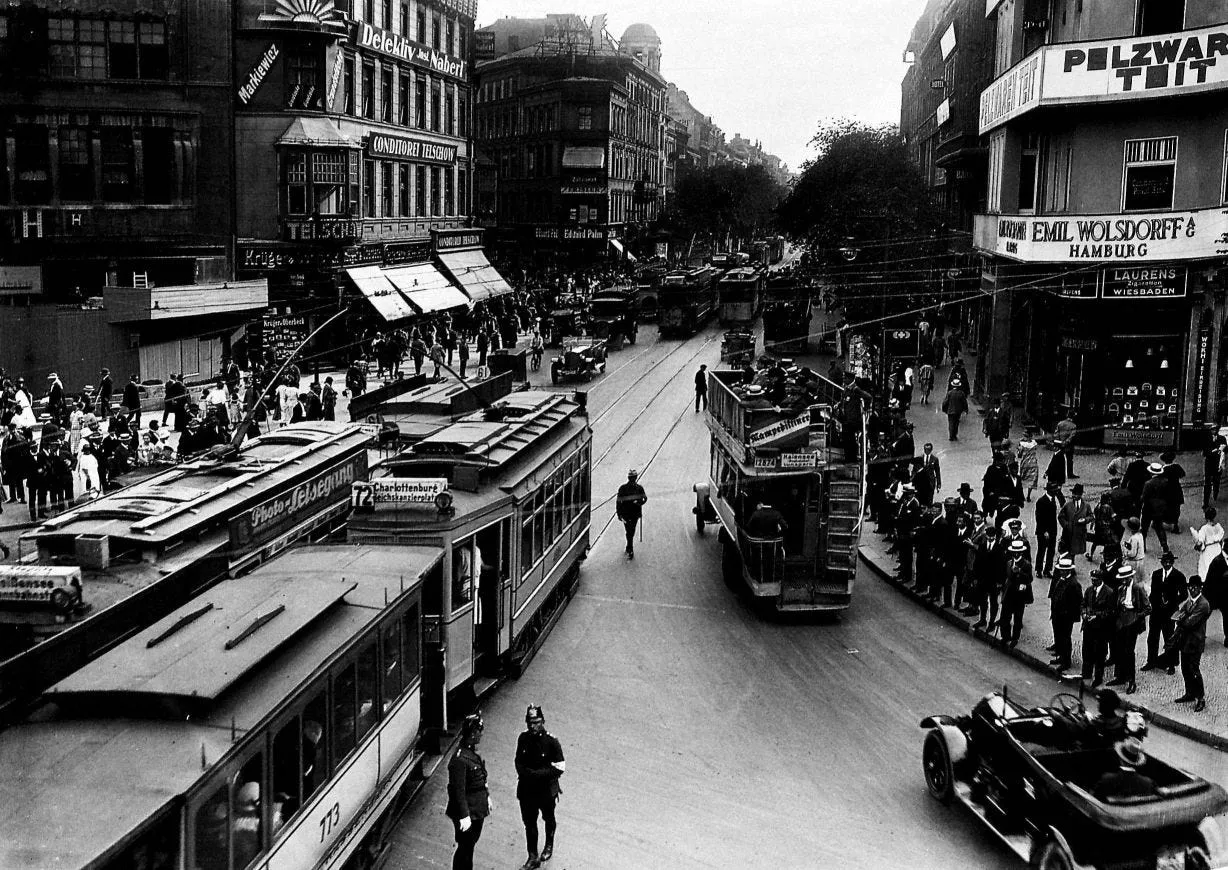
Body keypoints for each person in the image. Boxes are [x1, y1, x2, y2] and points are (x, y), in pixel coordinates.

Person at [515, 705, 565, 869]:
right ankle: (533, 856)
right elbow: (518, 761)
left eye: (536, 722)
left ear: (542, 721)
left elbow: (559, 767)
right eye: (530, 722)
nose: (532, 726)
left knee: (548, 818)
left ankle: (549, 844)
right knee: (529, 823)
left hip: (545, 791)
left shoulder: (551, 742)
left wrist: (537, 775)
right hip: (526, 790)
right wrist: (525, 774)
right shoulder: (523, 738)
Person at [446, 713, 491, 870]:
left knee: (469, 847)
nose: (482, 734)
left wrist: (487, 798)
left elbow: (480, 779)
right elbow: (458, 791)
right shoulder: (460, 759)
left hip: (476, 810)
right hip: (468, 813)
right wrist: (464, 816)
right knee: (465, 849)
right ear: (473, 734)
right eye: (480, 731)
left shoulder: (469, 752)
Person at [1169, 575, 1210, 711]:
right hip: (1185, 641)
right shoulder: (1190, 601)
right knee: (1185, 669)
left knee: (1194, 670)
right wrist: (1181, 616)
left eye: (1195, 588)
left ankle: (1201, 698)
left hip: (1195, 643)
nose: (1192, 590)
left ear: (1200, 588)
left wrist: (1180, 619)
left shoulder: (1203, 604)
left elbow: (1189, 622)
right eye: (1190, 587)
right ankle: (1190, 693)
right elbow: (1180, 613)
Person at [1142, 551, 1185, 674]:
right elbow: (1153, 592)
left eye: (1169, 562)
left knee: (1169, 638)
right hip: (1156, 612)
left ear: (1172, 562)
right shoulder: (1156, 574)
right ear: (1161, 562)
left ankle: (1171, 664)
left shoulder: (1179, 576)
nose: (1166, 564)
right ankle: (1151, 661)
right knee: (1152, 638)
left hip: (1169, 613)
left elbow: (1183, 595)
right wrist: (1152, 602)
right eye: (1164, 562)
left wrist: (1171, 602)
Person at [1109, 565, 1150, 694]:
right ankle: (1120, 676)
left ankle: (1131, 680)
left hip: (1132, 622)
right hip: (1121, 621)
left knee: (1129, 651)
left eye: (1125, 579)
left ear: (1130, 577)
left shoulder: (1137, 589)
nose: (1123, 582)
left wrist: (1137, 616)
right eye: (1122, 579)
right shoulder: (1121, 589)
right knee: (1119, 648)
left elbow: (1148, 608)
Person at [1080, 569, 1116, 686]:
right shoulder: (1089, 590)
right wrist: (1084, 613)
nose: (1093, 582)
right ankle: (1086, 673)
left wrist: (1097, 616)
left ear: (1101, 580)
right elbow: (1083, 604)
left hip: (1101, 629)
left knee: (1100, 654)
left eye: (1095, 580)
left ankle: (1098, 677)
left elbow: (1110, 611)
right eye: (1092, 580)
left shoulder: (1109, 592)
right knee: (1087, 651)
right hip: (1088, 627)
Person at [1048, 556, 1082, 672]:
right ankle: (1060, 656)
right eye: (1060, 570)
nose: (1061, 572)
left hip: (1066, 617)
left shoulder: (1073, 584)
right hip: (1057, 614)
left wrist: (1069, 614)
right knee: (1058, 636)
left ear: (1069, 571)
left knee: (1065, 638)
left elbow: (1077, 602)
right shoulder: (1061, 579)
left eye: (1063, 570)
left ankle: (1066, 661)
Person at [999, 540, 1033, 647]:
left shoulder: (1026, 564)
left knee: (1018, 618)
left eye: (1018, 552)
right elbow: (1007, 577)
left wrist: (1020, 572)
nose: (1016, 554)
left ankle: (1015, 638)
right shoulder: (1009, 563)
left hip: (1019, 595)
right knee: (1005, 617)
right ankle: (1005, 636)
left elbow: (1029, 579)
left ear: (1021, 553)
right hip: (1009, 593)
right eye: (1014, 552)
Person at [615, 469, 648, 558]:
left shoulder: (628, 488)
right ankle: (630, 547)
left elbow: (644, 498)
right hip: (630, 513)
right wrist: (638, 503)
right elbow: (618, 501)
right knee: (630, 530)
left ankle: (629, 546)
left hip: (630, 514)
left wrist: (638, 502)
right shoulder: (634, 488)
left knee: (630, 530)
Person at [1140, 462, 1170, 553]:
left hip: (1148, 508)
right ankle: (1164, 545)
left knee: (1144, 528)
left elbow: (1144, 497)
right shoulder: (1165, 481)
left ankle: (1143, 546)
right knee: (1159, 527)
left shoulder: (1148, 483)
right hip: (1160, 508)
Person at [1034, 482, 1062, 578]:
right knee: (1041, 551)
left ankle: (1047, 569)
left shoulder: (1053, 500)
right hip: (1043, 532)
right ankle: (1038, 569)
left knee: (1051, 551)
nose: (1056, 492)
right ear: (1049, 491)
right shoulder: (1041, 501)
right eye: (1054, 490)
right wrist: (1044, 531)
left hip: (1052, 531)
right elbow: (1039, 518)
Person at [1059, 483, 1093, 557]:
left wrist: (1085, 520)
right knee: (1068, 554)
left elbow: (1091, 516)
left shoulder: (1086, 506)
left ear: (1080, 495)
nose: (1073, 495)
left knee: (1076, 551)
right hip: (1069, 534)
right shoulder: (1067, 505)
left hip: (1080, 533)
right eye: (1073, 493)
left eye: (1076, 494)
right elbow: (1061, 517)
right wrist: (1066, 525)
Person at [1192, 505, 1224, 581]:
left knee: (1207, 567)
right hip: (1217, 548)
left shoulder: (1204, 529)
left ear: (1205, 517)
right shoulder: (1218, 527)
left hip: (1208, 550)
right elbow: (1221, 540)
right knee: (1218, 566)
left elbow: (1200, 542)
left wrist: (1196, 546)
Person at [913, 442, 941, 507]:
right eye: (925, 450)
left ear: (931, 450)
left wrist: (938, 484)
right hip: (921, 482)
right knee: (921, 497)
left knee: (930, 498)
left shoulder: (935, 459)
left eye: (928, 450)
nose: (927, 451)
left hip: (930, 482)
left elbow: (937, 472)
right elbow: (914, 470)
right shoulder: (920, 458)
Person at [1053, 411, 1078, 478]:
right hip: (1068, 445)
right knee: (1069, 459)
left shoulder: (1060, 423)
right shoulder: (1073, 425)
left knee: (1058, 459)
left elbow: (1056, 433)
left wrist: (1059, 441)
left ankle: (1057, 473)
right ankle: (1070, 474)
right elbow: (1072, 436)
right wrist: (1066, 442)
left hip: (1059, 444)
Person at [1017, 433, 1039, 502]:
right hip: (1033, 463)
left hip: (1025, 463)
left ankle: (1022, 495)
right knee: (1032, 479)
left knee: (1022, 479)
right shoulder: (1034, 443)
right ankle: (1028, 495)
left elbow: (1019, 455)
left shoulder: (1022, 444)